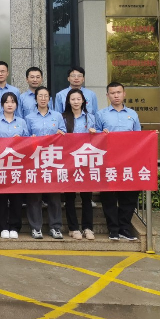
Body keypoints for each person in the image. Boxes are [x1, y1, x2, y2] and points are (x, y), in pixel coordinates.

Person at [96, 82, 141, 242]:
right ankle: (113, 229)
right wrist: (101, 133)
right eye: (112, 93)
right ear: (107, 95)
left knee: (129, 196)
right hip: (109, 161)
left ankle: (124, 228)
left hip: (129, 162)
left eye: (118, 92)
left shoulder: (133, 114)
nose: (116, 95)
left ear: (124, 94)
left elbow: (139, 137)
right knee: (109, 196)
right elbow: (94, 137)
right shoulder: (101, 114)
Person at [24, 86, 66, 240]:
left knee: (54, 195)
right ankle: (36, 228)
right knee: (34, 196)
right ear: (35, 98)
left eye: (46, 96)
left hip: (53, 160)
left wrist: (61, 134)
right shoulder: (29, 118)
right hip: (34, 160)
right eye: (40, 96)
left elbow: (64, 134)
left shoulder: (57, 116)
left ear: (50, 98)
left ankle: (56, 227)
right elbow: (24, 138)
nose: (43, 99)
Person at [0, 91, 30, 239]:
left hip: (17, 164)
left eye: (12, 102)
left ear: (16, 105)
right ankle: (3, 226)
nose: (10, 105)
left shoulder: (22, 122)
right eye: (7, 102)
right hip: (0, 164)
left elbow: (28, 141)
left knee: (16, 198)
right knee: (1, 197)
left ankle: (14, 226)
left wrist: (21, 139)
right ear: (2, 105)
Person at [61, 88, 98, 240]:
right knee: (69, 196)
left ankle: (88, 228)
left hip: (85, 160)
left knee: (86, 196)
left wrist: (95, 133)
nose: (76, 102)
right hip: (68, 160)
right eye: (72, 99)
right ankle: (73, 228)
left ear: (83, 101)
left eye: (78, 99)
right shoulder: (63, 118)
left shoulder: (91, 118)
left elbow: (99, 138)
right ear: (68, 102)